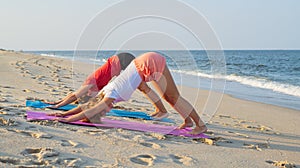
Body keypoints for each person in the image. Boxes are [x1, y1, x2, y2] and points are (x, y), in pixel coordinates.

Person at [54, 52, 207, 135]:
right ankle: (188, 121)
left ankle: (200, 125)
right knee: (169, 97)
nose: (105, 111)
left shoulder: (110, 95)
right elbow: (88, 106)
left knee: (173, 97)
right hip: (143, 62)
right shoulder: (106, 91)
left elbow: (92, 109)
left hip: (147, 62)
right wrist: (65, 114)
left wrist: (69, 119)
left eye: (102, 112)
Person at [45, 52, 135, 108]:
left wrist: (57, 105)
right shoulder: (97, 89)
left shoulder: (90, 82)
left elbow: (74, 95)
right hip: (120, 63)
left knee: (136, 69)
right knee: (136, 70)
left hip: (118, 60)